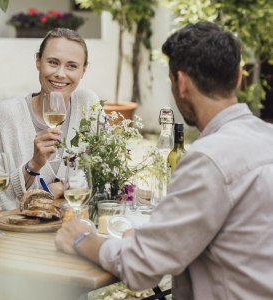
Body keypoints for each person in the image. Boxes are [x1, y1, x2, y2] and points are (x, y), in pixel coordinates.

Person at [55, 21, 273, 299]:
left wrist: (81, 238)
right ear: (239, 79)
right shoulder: (268, 138)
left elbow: (141, 267)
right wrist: (150, 239)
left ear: (181, 83)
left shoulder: (209, 159)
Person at [0, 28, 99, 210]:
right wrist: (34, 165)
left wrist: (62, 186)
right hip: (21, 232)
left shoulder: (87, 104)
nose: (60, 73)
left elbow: (108, 173)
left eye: (72, 66)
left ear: (84, 70)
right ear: (38, 61)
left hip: (73, 225)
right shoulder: (6, 116)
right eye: (53, 62)